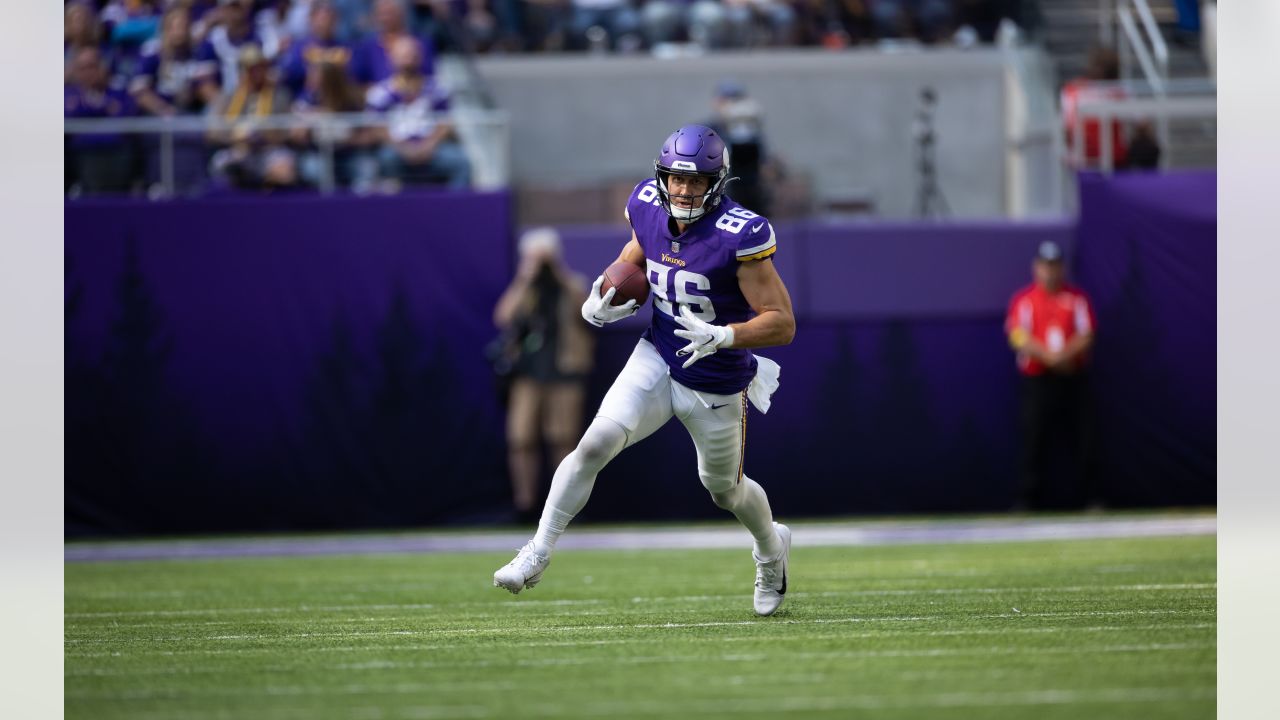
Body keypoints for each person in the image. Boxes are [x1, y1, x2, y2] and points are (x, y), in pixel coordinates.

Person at [493, 124, 796, 617]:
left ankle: (771, 548)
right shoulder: (646, 204)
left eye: (696, 181)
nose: (683, 190)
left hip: (715, 377)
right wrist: (601, 295)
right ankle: (538, 550)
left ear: (717, 182)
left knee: (724, 490)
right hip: (657, 353)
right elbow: (633, 258)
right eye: (676, 179)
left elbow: (782, 324)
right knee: (592, 444)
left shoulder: (741, 232)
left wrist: (725, 335)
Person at [492, 228, 596, 523]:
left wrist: (557, 270)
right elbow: (502, 317)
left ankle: (564, 505)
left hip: (565, 371)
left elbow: (587, 311)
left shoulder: (571, 283)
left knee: (563, 439)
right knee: (521, 439)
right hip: (527, 375)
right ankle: (524, 505)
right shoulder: (526, 289)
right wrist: (525, 277)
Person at [1005, 240, 1101, 511]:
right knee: (1033, 438)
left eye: (1055, 266)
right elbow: (1017, 336)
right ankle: (1028, 499)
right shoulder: (1024, 300)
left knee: (1085, 437)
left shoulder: (1076, 299)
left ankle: (1091, 498)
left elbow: (1088, 333)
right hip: (1037, 378)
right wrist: (1048, 357)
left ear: (1062, 268)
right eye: (1046, 266)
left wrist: (1065, 356)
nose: (1050, 271)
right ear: (1036, 268)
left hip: (1073, 377)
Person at [366, 35, 471, 189]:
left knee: (460, 161)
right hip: (396, 149)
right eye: (403, 56)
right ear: (392, 58)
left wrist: (429, 145)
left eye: (412, 55)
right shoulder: (380, 92)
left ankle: (456, 208)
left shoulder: (436, 89)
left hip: (432, 149)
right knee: (385, 159)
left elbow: (446, 122)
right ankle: (393, 206)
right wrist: (403, 148)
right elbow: (376, 127)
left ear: (420, 57)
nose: (408, 60)